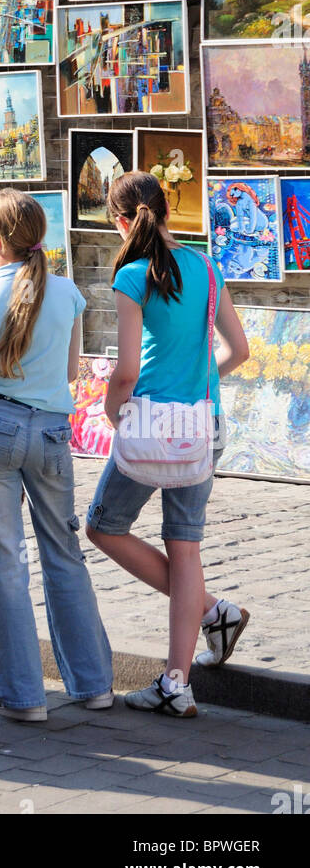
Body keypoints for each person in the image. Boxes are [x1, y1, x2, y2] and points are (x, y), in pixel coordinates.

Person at [85, 171, 251, 717]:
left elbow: (127, 370)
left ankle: (211, 612)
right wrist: (200, 386)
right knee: (186, 547)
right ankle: (178, 679)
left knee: (103, 525)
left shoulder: (133, 277)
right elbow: (239, 349)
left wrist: (112, 412)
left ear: (120, 220)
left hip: (151, 427)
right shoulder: (207, 266)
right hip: (204, 428)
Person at [0, 189, 113, 723]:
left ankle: (22, 697)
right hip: (52, 432)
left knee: (3, 560)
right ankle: (93, 684)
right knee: (63, 552)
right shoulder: (69, 293)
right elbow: (73, 373)